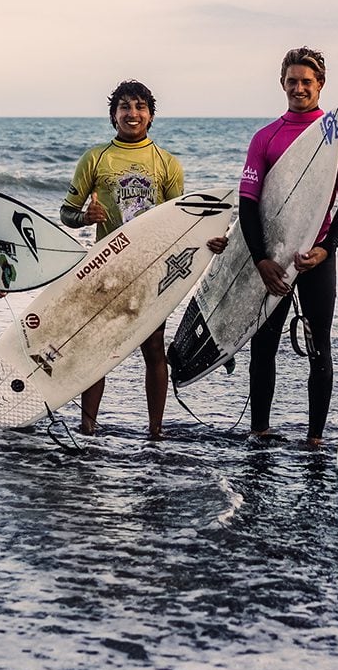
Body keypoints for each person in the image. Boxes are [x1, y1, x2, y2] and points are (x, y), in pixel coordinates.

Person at [60, 79, 225, 439]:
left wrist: (207, 241)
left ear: (150, 115)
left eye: (139, 107)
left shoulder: (166, 163)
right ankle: (87, 426)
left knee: (153, 348)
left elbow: (181, 223)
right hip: (108, 268)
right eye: (124, 107)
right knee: (96, 349)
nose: (132, 114)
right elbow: (66, 213)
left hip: (153, 268)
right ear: (113, 115)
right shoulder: (95, 159)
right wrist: (85, 217)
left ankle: (155, 430)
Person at [239, 47, 338, 445]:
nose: (299, 88)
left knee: (319, 348)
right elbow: (248, 205)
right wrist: (260, 259)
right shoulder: (265, 138)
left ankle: (314, 437)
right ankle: (260, 429)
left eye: (307, 82)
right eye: (292, 81)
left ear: (320, 85)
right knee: (264, 347)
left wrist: (327, 248)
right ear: (282, 84)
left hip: (317, 260)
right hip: (272, 259)